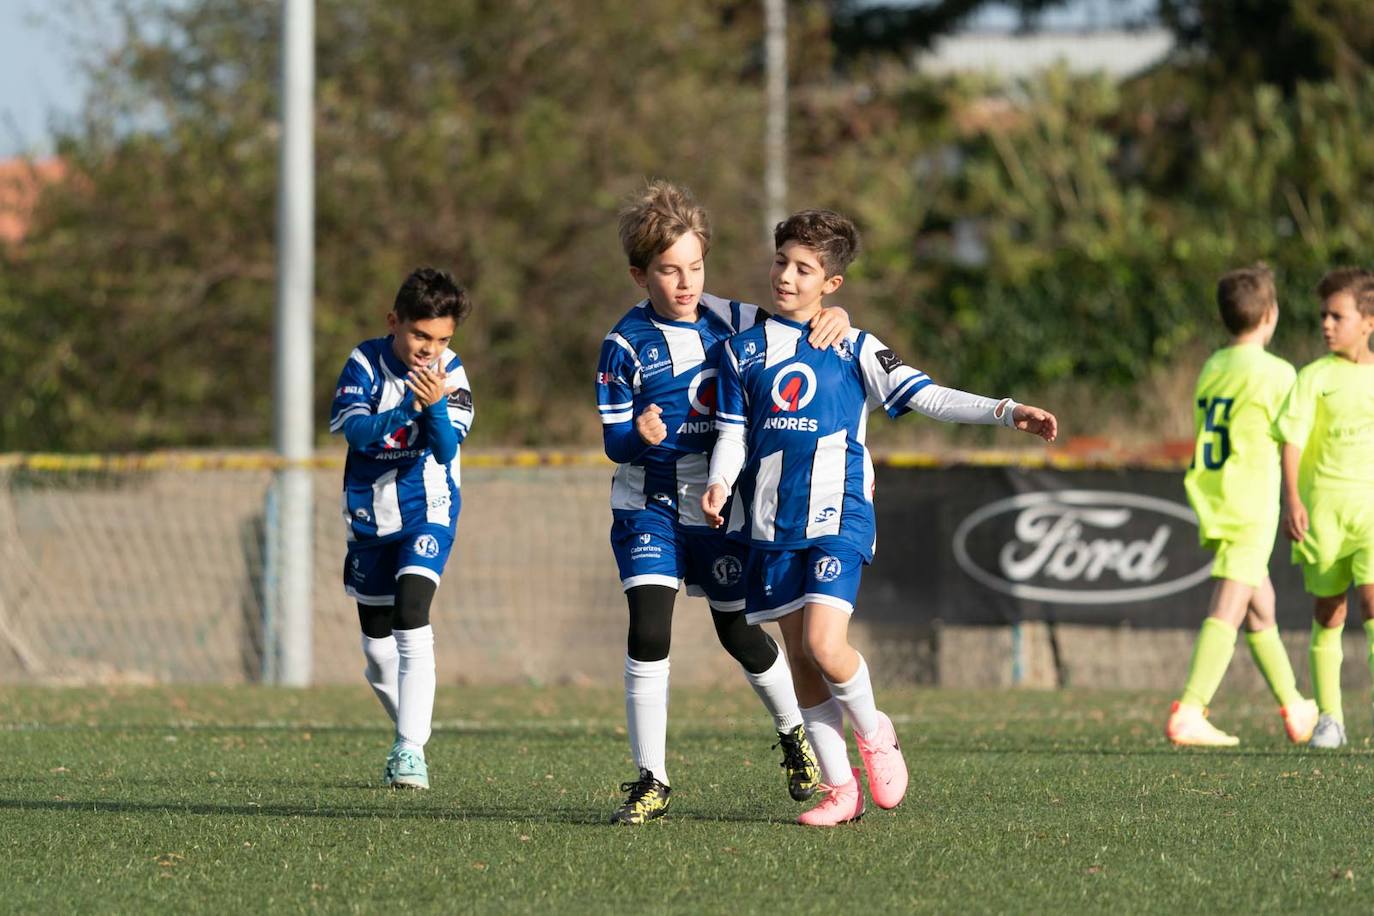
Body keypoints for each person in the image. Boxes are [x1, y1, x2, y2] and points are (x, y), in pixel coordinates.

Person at [703, 209, 1057, 826]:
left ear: (831, 284)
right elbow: (733, 436)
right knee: (802, 661)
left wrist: (1004, 410)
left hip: (839, 512)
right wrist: (717, 482)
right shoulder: (741, 349)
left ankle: (876, 732)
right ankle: (841, 791)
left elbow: (927, 394)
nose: (786, 275)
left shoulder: (853, 344)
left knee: (823, 643)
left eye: (804, 268)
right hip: (766, 523)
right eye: (781, 261)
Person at [594, 181, 849, 825]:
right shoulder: (623, 346)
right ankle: (652, 777)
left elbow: (806, 327)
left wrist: (837, 317)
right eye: (669, 270)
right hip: (647, 506)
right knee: (649, 629)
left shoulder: (733, 320)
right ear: (639, 273)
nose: (686, 283)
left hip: (718, 508)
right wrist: (637, 436)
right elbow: (613, 440)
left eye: (696, 267)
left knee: (738, 631)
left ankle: (795, 734)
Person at [328, 267, 475, 788]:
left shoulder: (451, 371)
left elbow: (445, 447)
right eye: (419, 335)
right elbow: (358, 434)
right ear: (395, 322)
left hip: (427, 506)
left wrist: (433, 406)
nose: (429, 349)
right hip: (369, 515)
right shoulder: (365, 362)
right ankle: (410, 731)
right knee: (375, 649)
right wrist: (407, 408)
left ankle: (410, 750)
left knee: (412, 613)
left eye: (441, 339)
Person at [1165, 263, 1317, 747]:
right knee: (1231, 601)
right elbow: (1294, 436)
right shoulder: (1276, 372)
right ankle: (1191, 708)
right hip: (1250, 497)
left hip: (1214, 491)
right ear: (1270, 315)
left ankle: (1295, 706)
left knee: (1260, 604)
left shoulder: (1213, 365)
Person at [1273, 267, 1374, 749]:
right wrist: (1292, 498)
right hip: (1323, 514)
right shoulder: (1312, 377)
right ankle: (1330, 718)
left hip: (1370, 514)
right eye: (1323, 316)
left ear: (1369, 321)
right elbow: (1290, 440)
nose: (1327, 324)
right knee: (1330, 611)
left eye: (1338, 315)